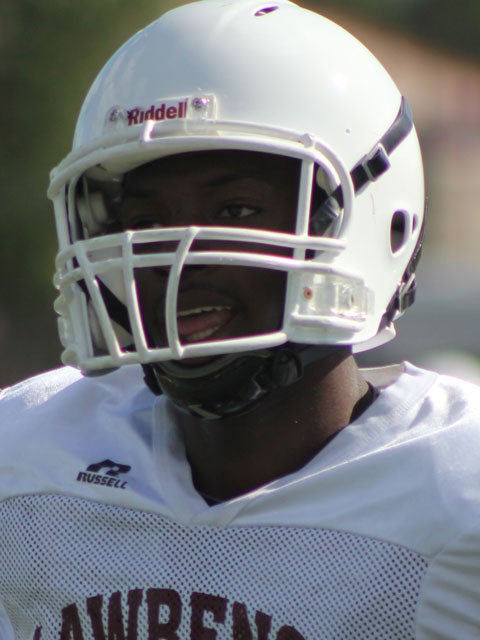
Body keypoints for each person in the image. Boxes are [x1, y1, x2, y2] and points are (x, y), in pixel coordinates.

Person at [1, 0, 479, 638]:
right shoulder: (27, 460)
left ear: (375, 219)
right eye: (144, 222)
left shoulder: (456, 493)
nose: (180, 255)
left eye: (237, 210)